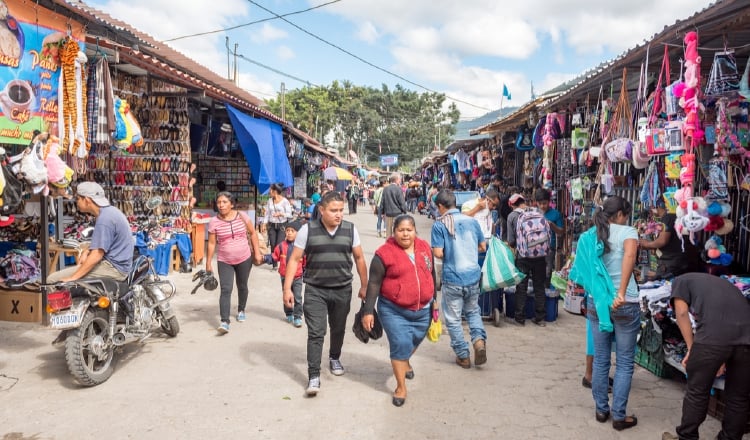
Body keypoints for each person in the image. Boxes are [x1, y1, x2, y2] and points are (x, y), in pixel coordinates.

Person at [283, 191, 368, 397]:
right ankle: (314, 375)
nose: (338, 214)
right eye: (333, 210)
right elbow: (294, 259)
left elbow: (359, 258)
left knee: (338, 328)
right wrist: (287, 288)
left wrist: (365, 285)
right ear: (321, 210)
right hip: (315, 290)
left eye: (341, 210)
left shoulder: (350, 229)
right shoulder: (307, 230)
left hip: (342, 289)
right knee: (316, 332)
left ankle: (334, 357)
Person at [572, 195, 639, 431]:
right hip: (626, 302)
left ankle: (601, 410)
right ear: (620, 214)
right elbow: (630, 257)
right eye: (626, 214)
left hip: (597, 302)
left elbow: (582, 268)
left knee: (601, 359)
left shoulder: (591, 235)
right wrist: (620, 292)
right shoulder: (628, 232)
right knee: (624, 362)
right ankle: (619, 416)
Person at [662, 273, 750, 440]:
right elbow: (727, 320)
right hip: (746, 340)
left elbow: (681, 313)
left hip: (712, 339)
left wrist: (691, 348)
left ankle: (687, 437)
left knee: (697, 391)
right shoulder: (722, 284)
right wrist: (722, 357)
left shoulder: (680, 282)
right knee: (738, 397)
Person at [361, 215, 436, 407]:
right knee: (400, 342)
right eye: (401, 230)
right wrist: (368, 311)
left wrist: (434, 300)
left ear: (415, 231)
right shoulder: (383, 254)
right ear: (394, 232)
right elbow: (374, 283)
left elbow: (432, 273)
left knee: (416, 339)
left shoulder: (425, 248)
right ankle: (401, 387)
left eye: (409, 230)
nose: (405, 234)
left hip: (423, 309)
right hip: (393, 310)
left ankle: (405, 360)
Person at [431, 189, 487, 369]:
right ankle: (479, 341)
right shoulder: (472, 221)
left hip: (453, 278)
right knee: (472, 312)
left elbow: (438, 253)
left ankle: (463, 356)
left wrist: (453, 252)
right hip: (472, 276)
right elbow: (482, 247)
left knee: (454, 319)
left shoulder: (439, 225)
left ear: (440, 206)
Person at [48, 182, 133, 283]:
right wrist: (87, 251)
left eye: (78, 199)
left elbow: (97, 254)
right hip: (118, 266)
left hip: (114, 269)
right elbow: (102, 244)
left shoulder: (104, 219)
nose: (77, 202)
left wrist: (73, 277)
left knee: (52, 279)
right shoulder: (109, 212)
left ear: (87, 200)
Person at [206, 191, 262, 334]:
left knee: (242, 285)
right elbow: (212, 243)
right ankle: (224, 321)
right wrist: (208, 263)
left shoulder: (242, 216)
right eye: (219, 202)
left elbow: (253, 233)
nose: (221, 205)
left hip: (244, 258)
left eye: (224, 202)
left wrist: (257, 252)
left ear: (231, 204)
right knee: (226, 289)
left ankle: (241, 309)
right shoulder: (214, 222)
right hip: (224, 260)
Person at [506, 193, 548, 327]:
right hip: (540, 255)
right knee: (539, 286)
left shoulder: (512, 216)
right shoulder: (538, 213)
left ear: (512, 205)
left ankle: (520, 318)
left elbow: (511, 241)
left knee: (521, 286)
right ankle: (540, 318)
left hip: (523, 256)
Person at [638, 201, 703, 278]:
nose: (651, 212)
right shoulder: (675, 217)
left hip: (672, 264)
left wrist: (646, 244)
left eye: (651, 208)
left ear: (657, 207)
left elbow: (662, 241)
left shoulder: (668, 217)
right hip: (680, 263)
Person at [271, 221, 305, 327]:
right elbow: (274, 256)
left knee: (298, 297)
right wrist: (263, 258)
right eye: (287, 231)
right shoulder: (281, 246)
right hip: (284, 277)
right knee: (287, 295)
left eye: (292, 231)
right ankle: (289, 312)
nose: (289, 233)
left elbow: (305, 262)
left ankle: (298, 316)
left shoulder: (302, 249)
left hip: (298, 276)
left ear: (298, 233)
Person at [534, 189, 565, 287]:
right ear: (536, 203)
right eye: (540, 204)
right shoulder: (533, 213)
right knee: (536, 272)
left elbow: (561, 231)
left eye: (545, 203)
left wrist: (552, 225)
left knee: (547, 272)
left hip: (549, 248)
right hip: (535, 247)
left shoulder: (556, 214)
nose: (543, 206)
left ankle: (546, 290)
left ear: (549, 201)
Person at [261, 183, 293, 269]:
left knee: (279, 245)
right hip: (271, 225)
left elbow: (290, 215)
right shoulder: (270, 201)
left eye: (271, 190)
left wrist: (281, 214)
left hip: (282, 226)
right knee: (272, 244)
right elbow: (267, 214)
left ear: (275, 191)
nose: (269, 192)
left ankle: (281, 262)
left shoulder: (285, 201)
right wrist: (264, 224)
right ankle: (274, 264)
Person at [381, 173, 407, 238]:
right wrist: (404, 212)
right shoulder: (398, 189)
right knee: (396, 233)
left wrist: (382, 213)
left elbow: (383, 202)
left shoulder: (385, 189)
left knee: (388, 233)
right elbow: (402, 202)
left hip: (388, 214)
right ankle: (395, 247)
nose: (400, 181)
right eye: (400, 179)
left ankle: (388, 247)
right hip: (397, 214)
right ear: (397, 180)